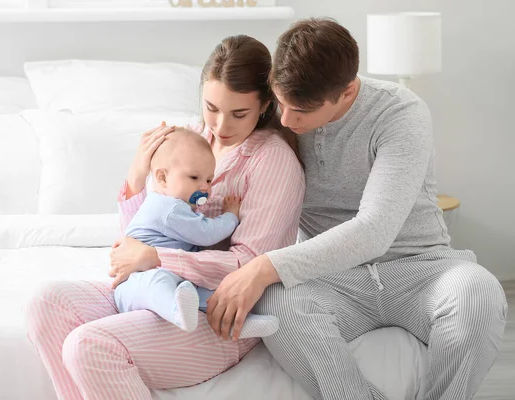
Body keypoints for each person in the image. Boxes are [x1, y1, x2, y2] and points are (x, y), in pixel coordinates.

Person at [205, 18, 508, 400]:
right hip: (331, 279)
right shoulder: (280, 112)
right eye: (280, 103)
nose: (285, 120)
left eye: (301, 110)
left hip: (420, 268)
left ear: (347, 92)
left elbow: (375, 231)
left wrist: (264, 267)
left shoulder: (400, 113)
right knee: (276, 302)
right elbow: (219, 129)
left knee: (479, 293)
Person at [25, 34, 304, 400]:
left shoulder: (272, 161)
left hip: (216, 313)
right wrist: (137, 178)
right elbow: (141, 235)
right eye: (211, 108)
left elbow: (251, 265)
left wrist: (158, 259)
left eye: (239, 113)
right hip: (152, 287)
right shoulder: (189, 140)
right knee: (45, 302)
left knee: (89, 345)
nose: (220, 125)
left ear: (265, 105)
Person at [114, 127, 278, 337]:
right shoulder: (169, 208)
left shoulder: (179, 207)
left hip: (177, 278)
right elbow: (206, 233)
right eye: (194, 178)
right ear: (162, 178)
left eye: (209, 180)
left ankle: (239, 323)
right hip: (135, 283)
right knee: (159, 281)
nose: (205, 187)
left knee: (206, 294)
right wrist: (231, 216)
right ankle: (177, 311)